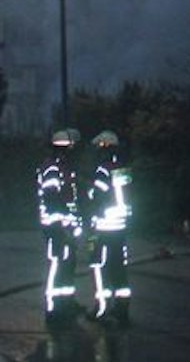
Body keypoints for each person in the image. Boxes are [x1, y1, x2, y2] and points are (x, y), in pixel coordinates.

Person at [84, 129, 133, 324]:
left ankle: (101, 308)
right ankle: (122, 308)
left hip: (102, 228)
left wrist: (88, 194)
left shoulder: (102, 171)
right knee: (119, 268)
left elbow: (97, 197)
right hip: (120, 227)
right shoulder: (122, 169)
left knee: (98, 267)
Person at [36, 128, 84, 319]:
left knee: (68, 264)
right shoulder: (52, 168)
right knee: (57, 264)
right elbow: (52, 197)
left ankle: (67, 303)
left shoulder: (65, 167)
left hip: (66, 225)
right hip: (56, 226)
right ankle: (53, 307)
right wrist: (64, 221)